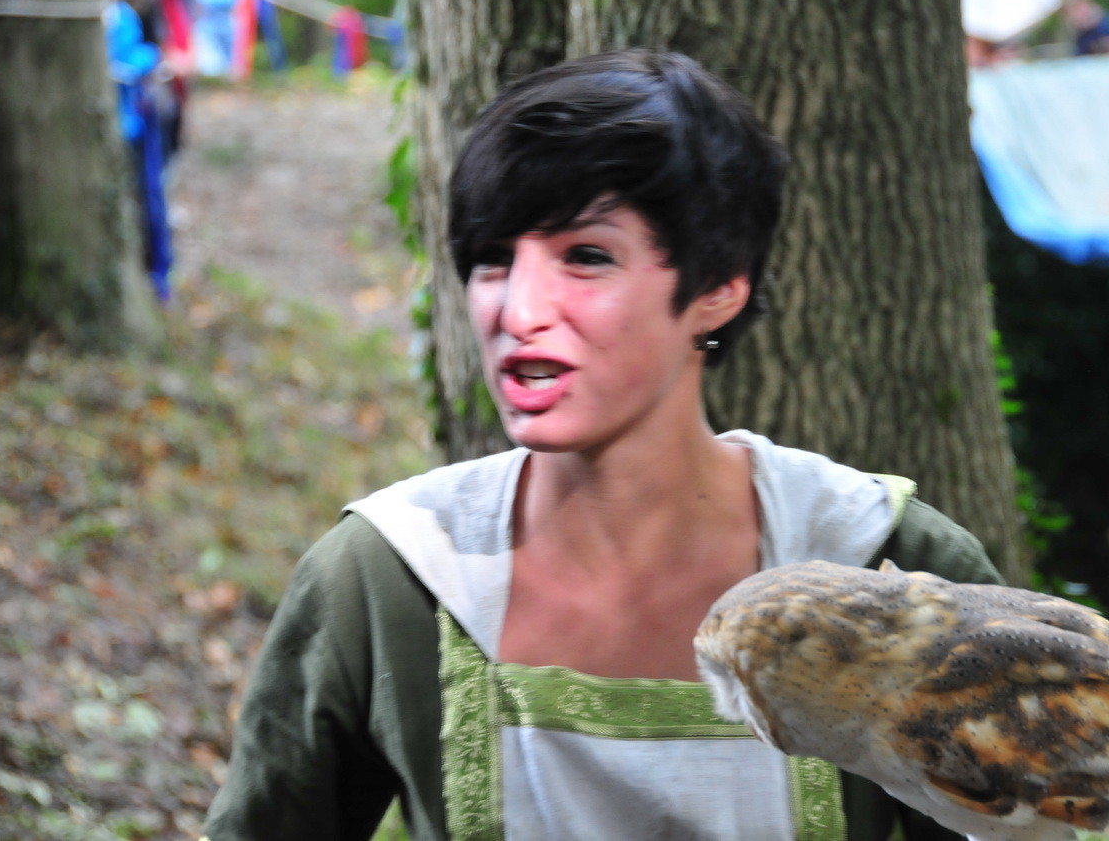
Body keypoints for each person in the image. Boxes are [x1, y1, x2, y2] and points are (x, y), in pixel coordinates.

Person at [202, 50, 1002, 841]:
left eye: (586, 257)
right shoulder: (392, 577)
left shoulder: (890, 567)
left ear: (719, 286)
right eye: (493, 260)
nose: (519, 310)